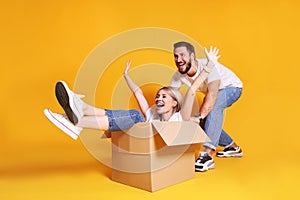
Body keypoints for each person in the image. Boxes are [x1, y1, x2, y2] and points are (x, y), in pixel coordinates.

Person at [44, 47, 220, 140]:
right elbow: (138, 93)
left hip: (160, 151)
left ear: (175, 103)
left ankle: (77, 119)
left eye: (164, 96)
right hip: (142, 142)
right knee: (136, 116)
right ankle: (80, 111)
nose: (158, 98)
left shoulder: (181, 118)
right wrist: (126, 76)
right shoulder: (153, 115)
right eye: (158, 96)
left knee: (136, 116)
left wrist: (209, 67)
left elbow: (190, 91)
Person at [170, 42, 243, 172]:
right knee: (205, 122)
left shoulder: (208, 66)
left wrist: (199, 116)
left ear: (192, 56)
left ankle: (207, 155)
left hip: (231, 87)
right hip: (212, 93)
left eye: (182, 55)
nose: (179, 60)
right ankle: (233, 147)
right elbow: (171, 97)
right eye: (176, 56)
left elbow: (213, 95)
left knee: (211, 109)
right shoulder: (178, 76)